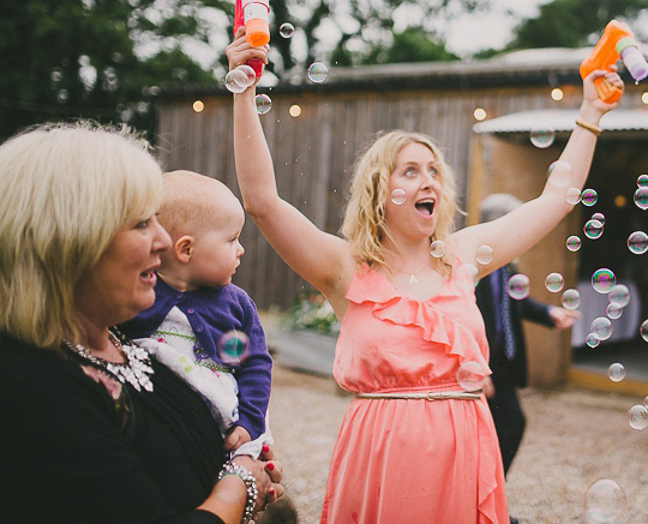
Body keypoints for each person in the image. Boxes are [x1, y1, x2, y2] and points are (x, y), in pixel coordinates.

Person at [228, 30, 620, 524]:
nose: (429, 179)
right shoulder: (344, 267)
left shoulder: (462, 256)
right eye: (410, 171)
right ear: (378, 189)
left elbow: (554, 200)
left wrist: (590, 115)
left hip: (465, 452)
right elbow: (263, 203)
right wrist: (244, 88)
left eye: (434, 171)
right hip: (381, 455)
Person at [0, 121, 284, 524]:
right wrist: (240, 486)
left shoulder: (119, 341)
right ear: (69, 241)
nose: (164, 241)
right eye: (140, 223)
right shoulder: (32, 387)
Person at [119, 170, 273, 459]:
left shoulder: (237, 305)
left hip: (226, 429)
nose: (241, 250)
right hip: (160, 428)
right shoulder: (138, 295)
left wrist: (250, 423)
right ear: (186, 249)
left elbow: (255, 365)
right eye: (232, 239)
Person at [475, 193, 580, 478]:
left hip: (504, 364)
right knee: (506, 426)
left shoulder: (507, 265)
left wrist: (549, 313)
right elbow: (459, 320)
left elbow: (517, 303)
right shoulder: (472, 267)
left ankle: (489, 501)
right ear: (495, 224)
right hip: (482, 366)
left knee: (505, 429)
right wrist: (476, 368)